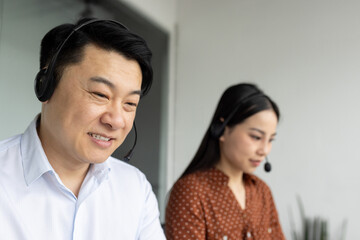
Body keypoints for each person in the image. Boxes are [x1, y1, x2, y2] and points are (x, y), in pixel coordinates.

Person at [0, 18, 165, 240]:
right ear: (46, 85)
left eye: (130, 104)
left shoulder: (135, 189)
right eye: (100, 94)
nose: (116, 120)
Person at [165, 83, 285, 240]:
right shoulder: (191, 193)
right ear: (222, 129)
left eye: (270, 140)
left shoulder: (262, 192)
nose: (264, 150)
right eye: (256, 137)